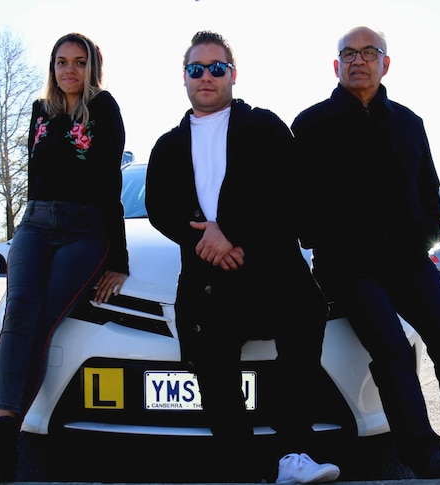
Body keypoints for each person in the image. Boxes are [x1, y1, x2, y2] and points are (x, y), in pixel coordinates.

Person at [291, 26, 440, 479]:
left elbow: (429, 192)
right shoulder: (311, 124)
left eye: (369, 52)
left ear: (385, 63)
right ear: (336, 66)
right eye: (349, 54)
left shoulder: (408, 124)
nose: (359, 60)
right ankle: (425, 455)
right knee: (393, 351)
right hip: (348, 268)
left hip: (409, 263)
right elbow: (296, 201)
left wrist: (423, 237)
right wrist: (320, 237)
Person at [144, 30, 340, 484]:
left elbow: (291, 195)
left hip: (270, 271)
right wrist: (204, 240)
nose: (206, 77)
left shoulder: (265, 127)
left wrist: (230, 232)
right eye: (197, 69)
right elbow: (158, 207)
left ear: (233, 74)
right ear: (185, 78)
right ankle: (241, 465)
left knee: (303, 316)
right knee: (213, 361)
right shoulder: (167, 145)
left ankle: (295, 454)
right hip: (207, 278)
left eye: (216, 68)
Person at [0, 32, 129, 482]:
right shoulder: (40, 111)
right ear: (52, 67)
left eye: (79, 62)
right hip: (36, 224)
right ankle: (4, 435)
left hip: (85, 230)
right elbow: (35, 178)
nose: (69, 71)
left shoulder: (104, 109)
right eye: (61, 62)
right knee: (18, 313)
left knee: (43, 321)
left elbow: (109, 185)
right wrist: (26, 226)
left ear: (92, 68)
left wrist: (117, 258)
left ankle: (6, 436)